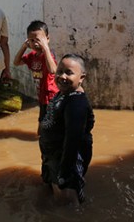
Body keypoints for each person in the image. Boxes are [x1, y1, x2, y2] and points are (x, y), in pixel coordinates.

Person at [39, 54, 95, 204]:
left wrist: (64, 174)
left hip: (65, 160)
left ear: (81, 78)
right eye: (60, 71)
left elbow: (72, 141)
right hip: (52, 156)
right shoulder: (64, 94)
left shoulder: (76, 104)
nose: (62, 76)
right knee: (50, 196)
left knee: (67, 205)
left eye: (69, 73)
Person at [13, 20, 59, 131]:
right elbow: (16, 62)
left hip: (51, 97)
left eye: (38, 40)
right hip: (42, 96)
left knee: (48, 126)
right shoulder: (32, 56)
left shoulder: (48, 55)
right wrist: (24, 46)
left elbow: (53, 70)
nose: (35, 43)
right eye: (32, 40)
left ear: (47, 39)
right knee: (42, 124)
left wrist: (46, 48)